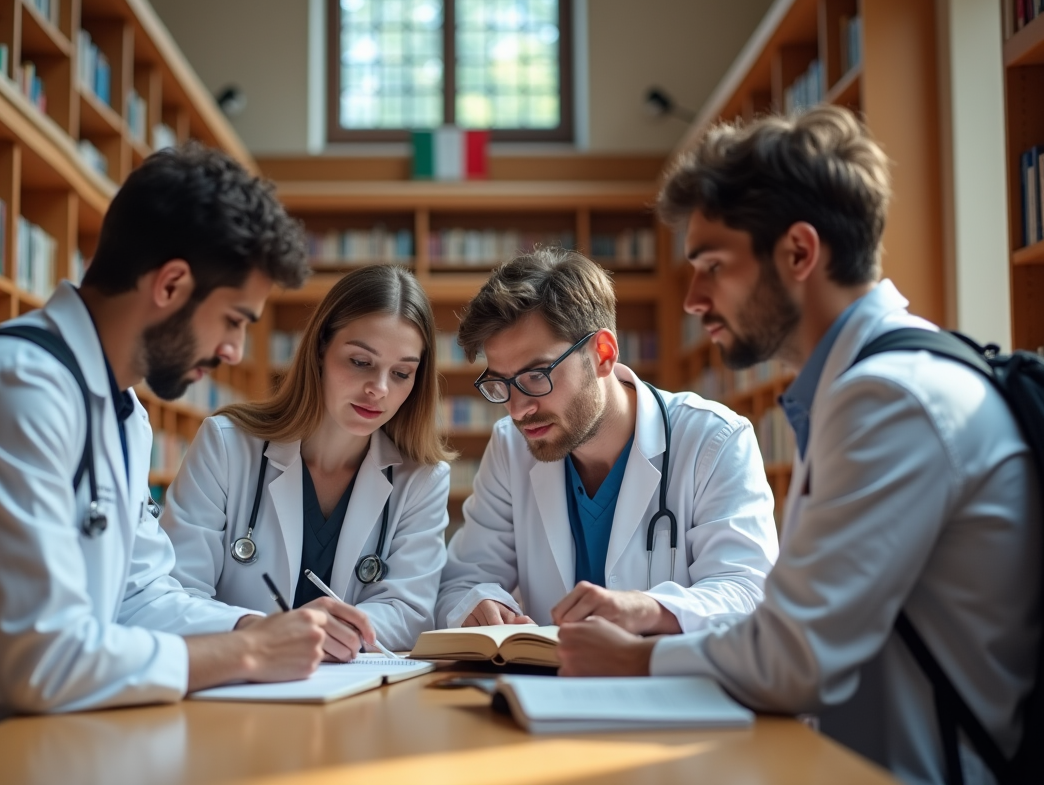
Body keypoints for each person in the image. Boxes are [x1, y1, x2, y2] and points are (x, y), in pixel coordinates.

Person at [554, 106, 1041, 785]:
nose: (693, 299)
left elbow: (798, 657)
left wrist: (634, 660)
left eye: (713, 265)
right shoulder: (877, 381)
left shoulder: (890, 400)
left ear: (799, 253)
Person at [0, 144, 356, 773]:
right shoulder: (11, 390)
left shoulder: (121, 412)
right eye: (233, 320)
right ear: (170, 285)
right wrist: (250, 654)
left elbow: (137, 594)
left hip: (58, 751)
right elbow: (40, 662)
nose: (234, 350)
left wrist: (254, 628)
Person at [434, 249, 779, 636]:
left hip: (664, 672)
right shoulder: (510, 447)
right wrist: (477, 602)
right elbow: (460, 582)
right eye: (501, 383)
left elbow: (747, 590)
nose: (517, 410)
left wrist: (647, 609)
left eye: (536, 376)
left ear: (603, 354)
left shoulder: (714, 440)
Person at [162, 265, 454, 654]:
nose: (379, 389)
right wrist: (272, 634)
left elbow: (409, 613)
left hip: (352, 685)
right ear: (319, 350)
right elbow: (174, 592)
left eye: (401, 373)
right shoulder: (227, 447)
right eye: (360, 361)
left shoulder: (422, 479)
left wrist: (324, 633)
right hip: (236, 676)